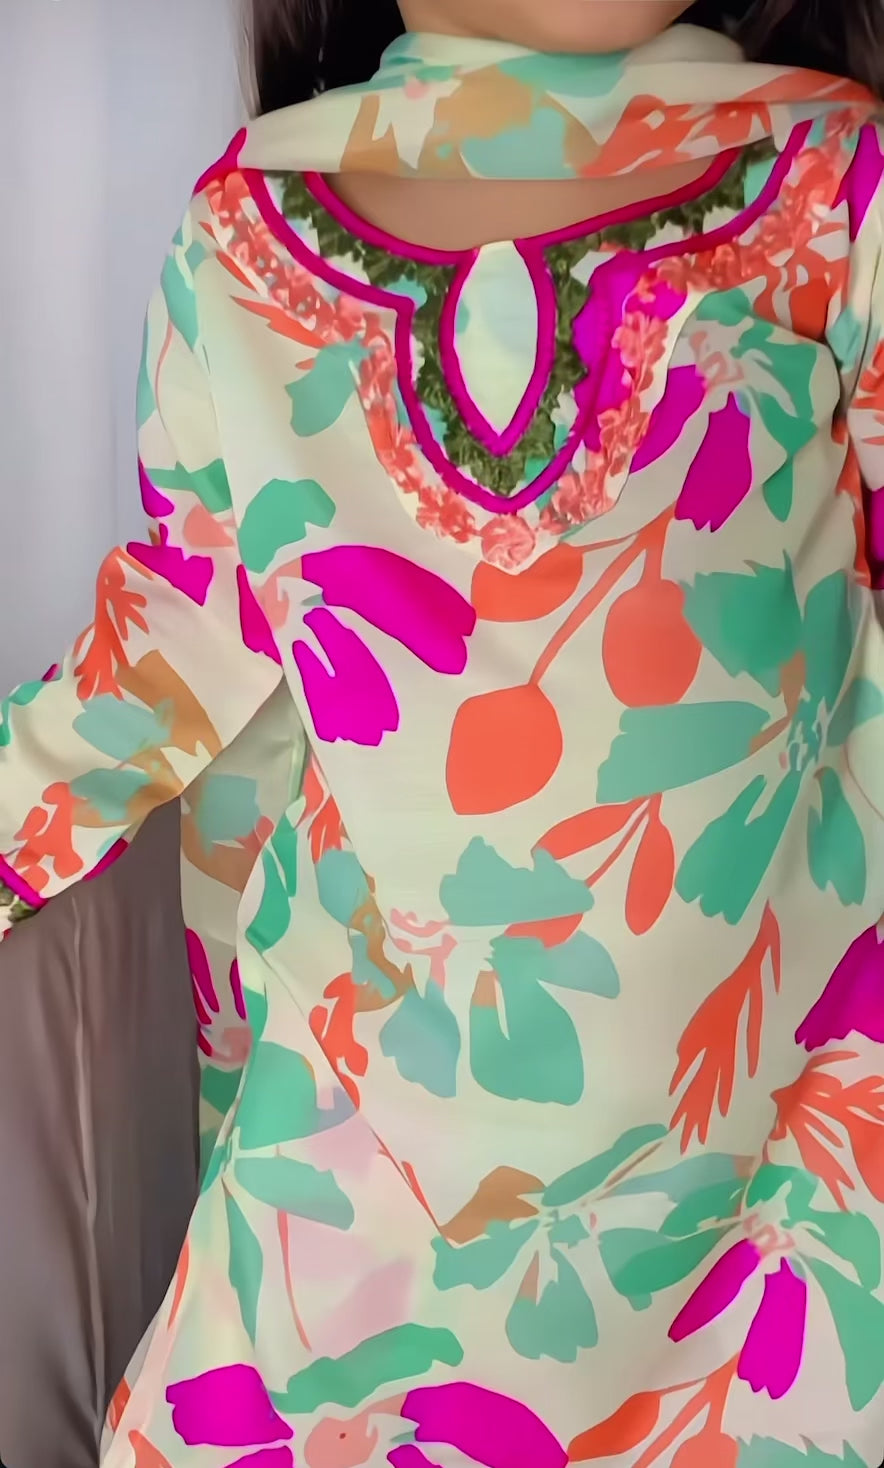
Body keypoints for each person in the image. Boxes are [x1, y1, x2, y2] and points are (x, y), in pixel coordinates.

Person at [2, 0, 884, 1462]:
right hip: (363, 1195)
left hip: (791, 1193)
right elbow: (173, 639)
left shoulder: (832, 190)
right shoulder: (244, 241)